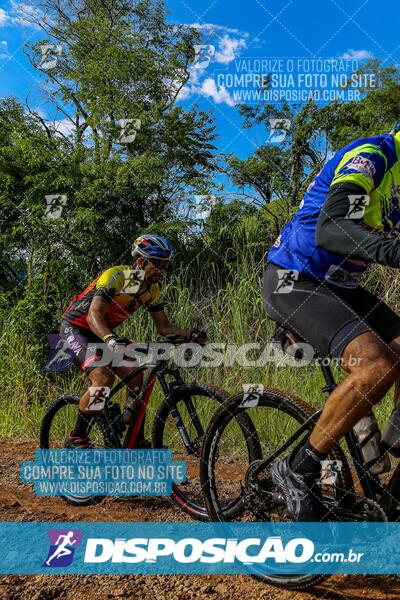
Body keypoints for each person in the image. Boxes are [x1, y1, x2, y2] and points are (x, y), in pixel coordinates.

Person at [263, 123, 400, 521]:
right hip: (296, 278)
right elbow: (333, 228)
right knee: (376, 365)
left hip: (342, 286)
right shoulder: (375, 158)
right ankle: (298, 469)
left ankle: (391, 447)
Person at [60, 234, 204, 449]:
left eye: (164, 265)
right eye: (156, 264)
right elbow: (93, 315)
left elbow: (163, 327)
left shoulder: (151, 289)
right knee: (103, 379)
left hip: (104, 334)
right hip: (77, 328)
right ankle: (76, 436)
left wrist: (189, 336)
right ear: (140, 262)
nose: (161, 270)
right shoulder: (117, 276)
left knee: (136, 377)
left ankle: (133, 435)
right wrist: (110, 340)